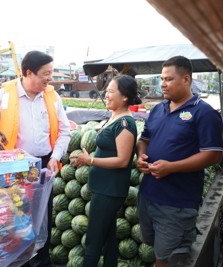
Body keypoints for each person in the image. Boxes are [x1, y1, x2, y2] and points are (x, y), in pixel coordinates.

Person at [0, 50, 71, 267]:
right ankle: (17, 261)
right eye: (46, 73)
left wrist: (55, 156)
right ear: (28, 73)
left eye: (51, 73)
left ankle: (41, 260)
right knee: (15, 217)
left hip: (44, 165)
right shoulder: (5, 96)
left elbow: (64, 131)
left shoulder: (52, 97)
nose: (49, 78)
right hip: (12, 167)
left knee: (43, 215)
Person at [136, 56, 223, 267]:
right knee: (152, 243)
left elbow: (213, 154)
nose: (162, 84)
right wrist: (141, 155)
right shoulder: (158, 109)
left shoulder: (204, 112)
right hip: (148, 195)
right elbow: (144, 139)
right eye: (161, 79)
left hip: (176, 202)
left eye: (168, 79)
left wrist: (171, 167)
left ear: (186, 79)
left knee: (167, 258)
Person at [70, 75, 139, 267]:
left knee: (93, 241)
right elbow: (109, 150)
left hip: (110, 190)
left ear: (124, 97)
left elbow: (123, 161)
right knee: (108, 239)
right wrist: (88, 159)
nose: (106, 95)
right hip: (102, 188)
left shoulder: (125, 124)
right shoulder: (113, 117)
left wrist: (90, 160)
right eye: (106, 91)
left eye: (110, 91)